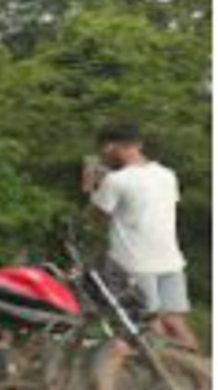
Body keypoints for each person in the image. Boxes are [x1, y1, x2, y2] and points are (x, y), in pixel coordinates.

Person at [83, 123, 199, 352]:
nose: (102, 156)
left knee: (149, 326)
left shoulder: (116, 181)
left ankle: (161, 370)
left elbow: (95, 219)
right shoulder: (167, 175)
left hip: (134, 263)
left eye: (102, 150)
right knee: (174, 321)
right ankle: (200, 369)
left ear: (111, 147)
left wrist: (94, 188)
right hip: (170, 260)